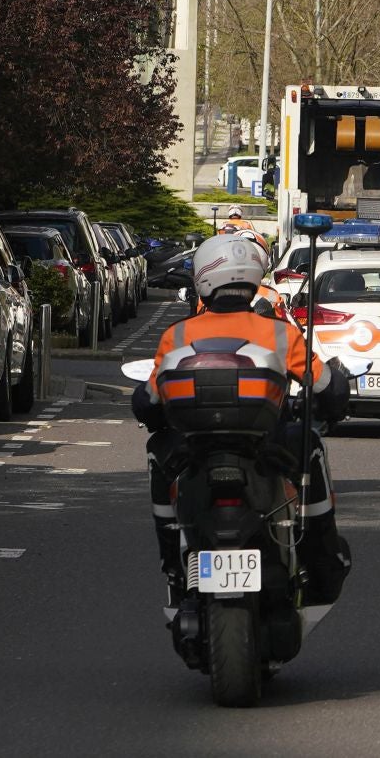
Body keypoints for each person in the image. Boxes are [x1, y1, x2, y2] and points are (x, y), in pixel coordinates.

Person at [131, 233, 352, 604]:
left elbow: (149, 400)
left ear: (203, 278)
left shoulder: (178, 334)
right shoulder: (280, 334)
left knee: (158, 453)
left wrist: (154, 411)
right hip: (267, 448)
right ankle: (322, 557)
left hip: (194, 450)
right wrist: (333, 400)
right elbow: (326, 388)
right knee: (310, 447)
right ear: (254, 278)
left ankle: (172, 561)